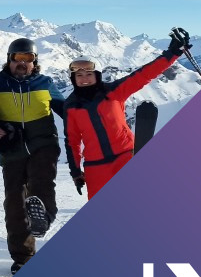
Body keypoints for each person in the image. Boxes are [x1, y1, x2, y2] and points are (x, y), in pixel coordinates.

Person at [64, 28, 189, 199]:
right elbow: (72, 141)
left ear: (97, 75)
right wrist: (76, 172)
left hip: (125, 157)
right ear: (73, 78)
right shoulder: (71, 105)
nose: (84, 78)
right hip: (95, 167)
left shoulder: (114, 92)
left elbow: (143, 75)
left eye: (89, 74)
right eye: (79, 75)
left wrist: (172, 53)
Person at [0, 37, 76, 274]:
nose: (23, 63)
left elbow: (67, 110)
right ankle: (23, 258)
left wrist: (92, 122)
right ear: (9, 60)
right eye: (18, 58)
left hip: (43, 144)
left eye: (28, 58)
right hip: (11, 148)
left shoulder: (45, 83)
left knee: (41, 183)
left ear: (35, 62)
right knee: (14, 203)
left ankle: (43, 217)